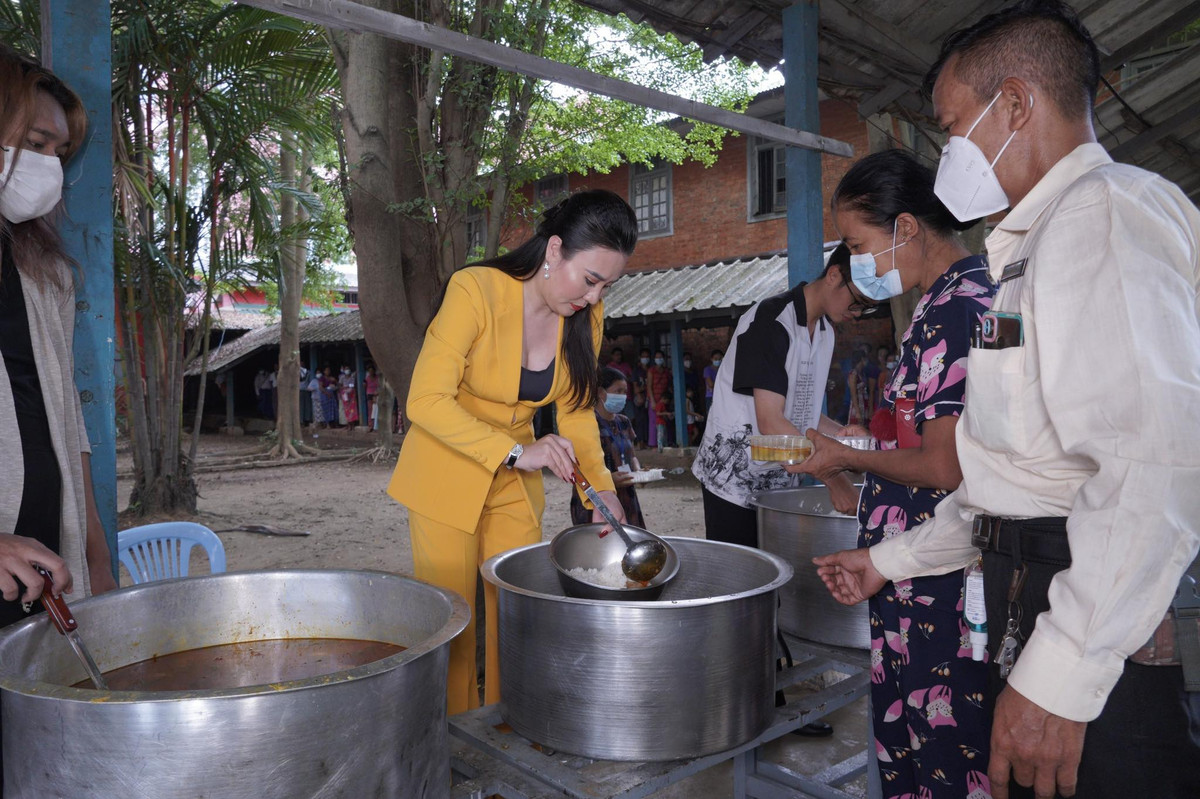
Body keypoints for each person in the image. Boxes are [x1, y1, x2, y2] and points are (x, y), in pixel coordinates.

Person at [813, 3, 1200, 798]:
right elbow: (1008, 479)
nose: (950, 151)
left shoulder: (1103, 215)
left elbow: (1152, 463)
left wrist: (1062, 670)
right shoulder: (1027, 254)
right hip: (1027, 589)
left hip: (1080, 608)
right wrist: (887, 561)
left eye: (953, 126)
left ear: (1015, 103)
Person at [795, 149, 997, 798]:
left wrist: (848, 456)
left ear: (905, 227)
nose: (857, 265)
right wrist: (849, 462)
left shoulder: (958, 310)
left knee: (943, 757)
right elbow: (919, 450)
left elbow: (945, 464)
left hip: (938, 590)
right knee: (914, 752)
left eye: (858, 245)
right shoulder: (936, 306)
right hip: (907, 576)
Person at [387, 189, 635, 715]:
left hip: (515, 480)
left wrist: (601, 492)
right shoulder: (475, 290)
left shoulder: (584, 318)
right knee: (452, 621)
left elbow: (576, 412)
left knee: (515, 612)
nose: (595, 298)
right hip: (446, 471)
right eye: (590, 280)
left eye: (606, 287)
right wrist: (515, 453)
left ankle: (509, 730)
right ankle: (453, 739)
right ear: (554, 250)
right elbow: (425, 400)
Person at [0, 43, 116, 611]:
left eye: (59, 152)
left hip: (45, 557)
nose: (50, 165)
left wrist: (95, 553)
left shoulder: (44, 273)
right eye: (34, 143)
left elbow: (67, 419)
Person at [693, 243, 866, 550]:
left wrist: (842, 438)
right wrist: (834, 477)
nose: (858, 313)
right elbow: (771, 423)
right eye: (857, 302)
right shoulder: (771, 322)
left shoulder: (824, 332)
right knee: (742, 571)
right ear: (834, 275)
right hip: (733, 480)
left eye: (866, 308)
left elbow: (802, 414)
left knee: (780, 569)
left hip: (779, 482)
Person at [569, 367, 645, 528]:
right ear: (600, 392)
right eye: (618, 391)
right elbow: (578, 465)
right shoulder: (586, 424)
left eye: (625, 392)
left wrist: (639, 472)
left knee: (629, 538)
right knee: (600, 540)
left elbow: (632, 455)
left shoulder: (624, 422)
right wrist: (607, 481)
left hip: (627, 496)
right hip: (595, 499)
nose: (623, 396)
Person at [645, 349, 671, 448]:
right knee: (654, 422)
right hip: (654, 399)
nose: (659, 359)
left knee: (663, 422)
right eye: (657, 357)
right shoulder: (651, 371)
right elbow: (649, 386)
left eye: (660, 357)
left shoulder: (666, 371)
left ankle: (663, 442)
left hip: (664, 400)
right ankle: (653, 444)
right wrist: (652, 401)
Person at [702, 349, 722, 416]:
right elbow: (710, 384)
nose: (718, 361)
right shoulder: (707, 369)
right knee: (711, 416)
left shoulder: (722, 369)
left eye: (719, 359)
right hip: (711, 396)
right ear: (711, 359)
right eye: (715, 359)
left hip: (721, 396)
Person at [364, 365, 379, 431]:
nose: (371, 372)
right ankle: (371, 425)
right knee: (370, 411)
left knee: (376, 411)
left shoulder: (377, 378)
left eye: (372, 371)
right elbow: (365, 386)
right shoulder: (367, 378)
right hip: (370, 395)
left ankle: (376, 425)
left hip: (376, 395)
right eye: (370, 371)